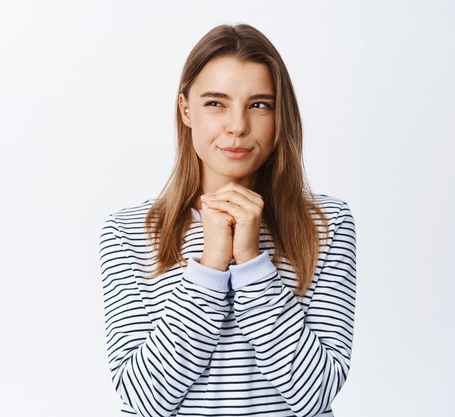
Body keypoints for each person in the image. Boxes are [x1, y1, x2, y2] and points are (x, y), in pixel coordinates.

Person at [98, 23, 356, 417]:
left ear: (279, 114)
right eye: (216, 103)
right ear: (186, 110)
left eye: (259, 104)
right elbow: (144, 400)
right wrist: (211, 264)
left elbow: (314, 396)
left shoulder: (326, 224)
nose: (237, 125)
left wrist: (252, 262)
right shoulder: (128, 232)